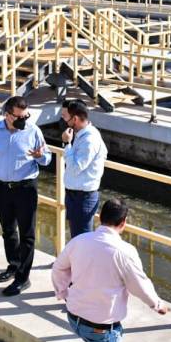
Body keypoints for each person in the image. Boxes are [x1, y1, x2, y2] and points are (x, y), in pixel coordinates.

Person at [51, 199, 169, 342]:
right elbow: (139, 285)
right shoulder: (125, 252)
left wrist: (63, 293)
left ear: (100, 218)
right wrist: (157, 304)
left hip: (75, 317)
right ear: (123, 223)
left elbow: (58, 268)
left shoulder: (79, 241)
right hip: (102, 329)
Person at [0, 96, 51, 296]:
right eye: (19, 117)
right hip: (2, 187)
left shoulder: (33, 130)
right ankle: (14, 265)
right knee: (8, 230)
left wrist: (40, 156)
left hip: (26, 188)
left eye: (25, 116)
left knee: (27, 234)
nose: (23, 120)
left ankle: (23, 278)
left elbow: (47, 158)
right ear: (7, 115)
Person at [61, 100, 107, 238]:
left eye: (64, 116)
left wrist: (66, 143)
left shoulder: (89, 140)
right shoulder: (83, 135)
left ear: (74, 119)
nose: (63, 119)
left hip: (83, 197)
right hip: (76, 195)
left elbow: (75, 168)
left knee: (82, 239)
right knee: (78, 238)